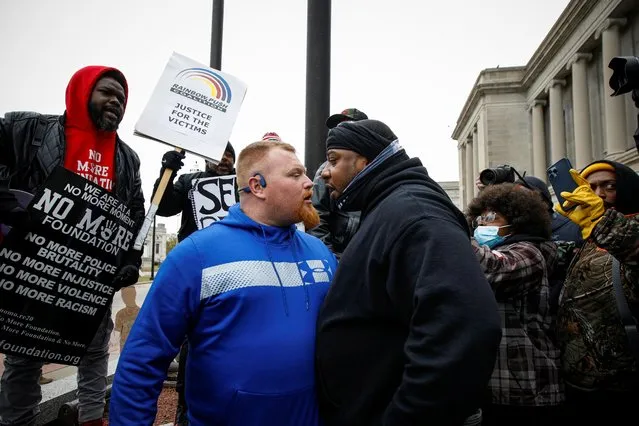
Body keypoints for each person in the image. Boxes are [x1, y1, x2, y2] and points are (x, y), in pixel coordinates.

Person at [109, 140, 337, 426]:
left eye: (305, 173)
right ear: (257, 186)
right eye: (294, 175)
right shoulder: (195, 256)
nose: (309, 183)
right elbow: (142, 361)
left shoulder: (321, 254)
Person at [315, 119, 502, 425]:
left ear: (365, 161)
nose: (324, 172)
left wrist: (406, 417)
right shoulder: (389, 207)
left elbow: (467, 326)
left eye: (334, 160)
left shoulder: (414, 213)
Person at [0, 66, 145, 426]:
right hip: (33, 269)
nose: (116, 101)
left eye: (122, 98)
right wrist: (7, 203)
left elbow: (136, 211)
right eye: (107, 93)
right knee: (24, 358)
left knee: (95, 352)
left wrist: (131, 256)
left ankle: (92, 419)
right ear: (81, 93)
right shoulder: (29, 130)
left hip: (90, 278)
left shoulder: (127, 158)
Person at [467, 183, 563, 425]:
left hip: (526, 388)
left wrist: (451, 233)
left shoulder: (532, 253)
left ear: (518, 220)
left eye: (491, 217)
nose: (481, 224)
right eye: (480, 217)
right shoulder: (491, 249)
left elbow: (494, 271)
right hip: (493, 385)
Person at [555, 160, 639, 424]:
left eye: (609, 186)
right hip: (583, 377)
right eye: (591, 187)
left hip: (622, 379)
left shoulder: (628, 229)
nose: (599, 194)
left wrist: (601, 221)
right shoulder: (590, 237)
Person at [309, 108, 367, 257]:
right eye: (337, 127)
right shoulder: (325, 172)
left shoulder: (377, 168)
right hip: (340, 256)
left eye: (347, 126)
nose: (339, 131)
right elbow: (317, 217)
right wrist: (330, 258)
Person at [155, 142, 236, 242]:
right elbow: (164, 209)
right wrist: (167, 174)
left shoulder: (246, 183)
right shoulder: (187, 181)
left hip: (235, 250)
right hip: (196, 250)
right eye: (219, 154)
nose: (224, 158)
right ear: (207, 160)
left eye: (229, 155)